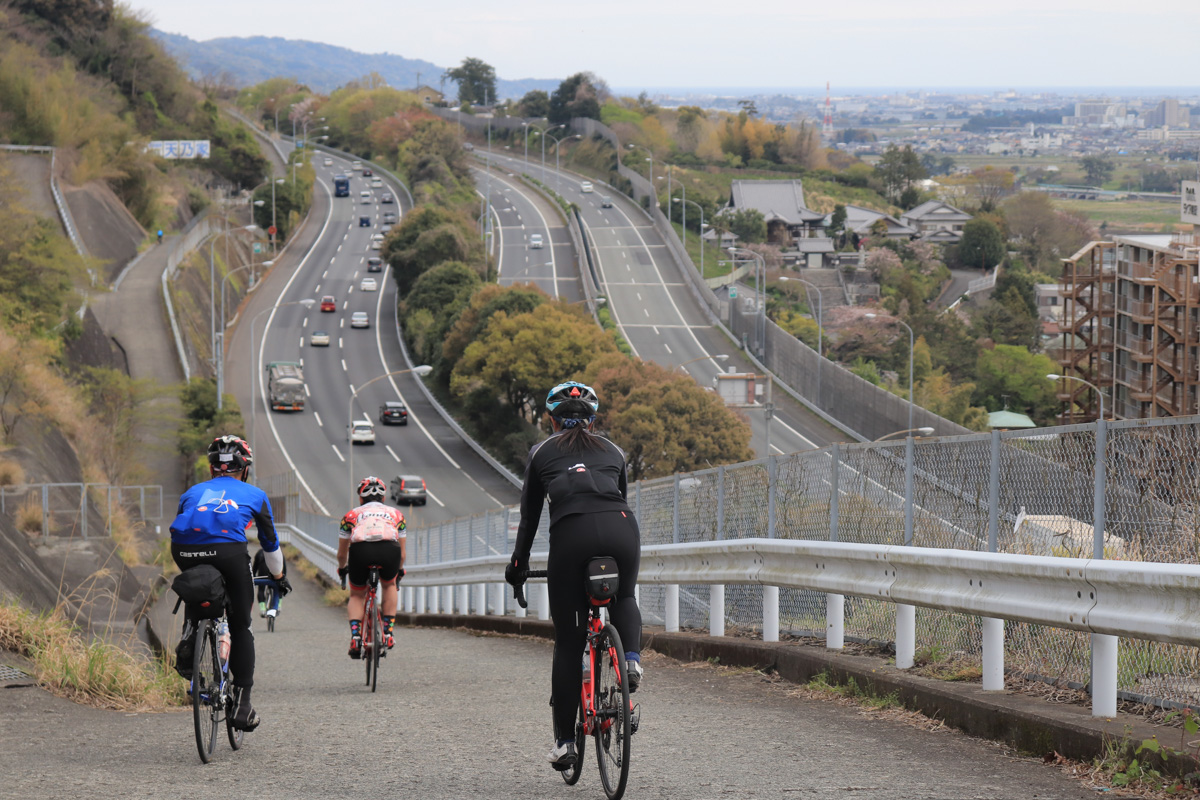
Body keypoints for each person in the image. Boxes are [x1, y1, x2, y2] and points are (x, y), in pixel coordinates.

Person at [505, 381, 643, 770]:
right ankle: (630, 660)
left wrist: (518, 567)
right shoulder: (613, 450)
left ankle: (566, 743)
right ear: (593, 419)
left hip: (571, 534)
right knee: (626, 597)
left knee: (569, 642)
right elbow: (620, 496)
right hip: (620, 527)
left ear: (551, 420)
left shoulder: (541, 452)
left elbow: (530, 518)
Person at [169, 435, 291, 731]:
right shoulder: (255, 494)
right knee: (240, 625)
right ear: (244, 469)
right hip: (229, 552)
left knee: (199, 589)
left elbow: (186, 529)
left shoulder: (192, 492)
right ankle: (244, 705)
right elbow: (270, 545)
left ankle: (190, 633)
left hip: (183, 549)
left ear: (212, 469)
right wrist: (277, 577)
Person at [336, 476, 406, 659]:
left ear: (360, 498)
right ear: (383, 498)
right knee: (389, 585)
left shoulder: (350, 516)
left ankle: (355, 636)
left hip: (361, 551)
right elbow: (403, 554)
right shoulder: (397, 514)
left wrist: (342, 568)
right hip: (390, 551)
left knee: (357, 593)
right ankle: (388, 633)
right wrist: (399, 571)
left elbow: (342, 554)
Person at [253, 547, 287, 619]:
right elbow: (284, 567)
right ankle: (278, 606)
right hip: (276, 571)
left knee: (261, 589)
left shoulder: (260, 552)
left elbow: (255, 568)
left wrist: (253, 577)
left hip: (263, 569)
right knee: (280, 585)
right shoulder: (279, 551)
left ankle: (262, 609)